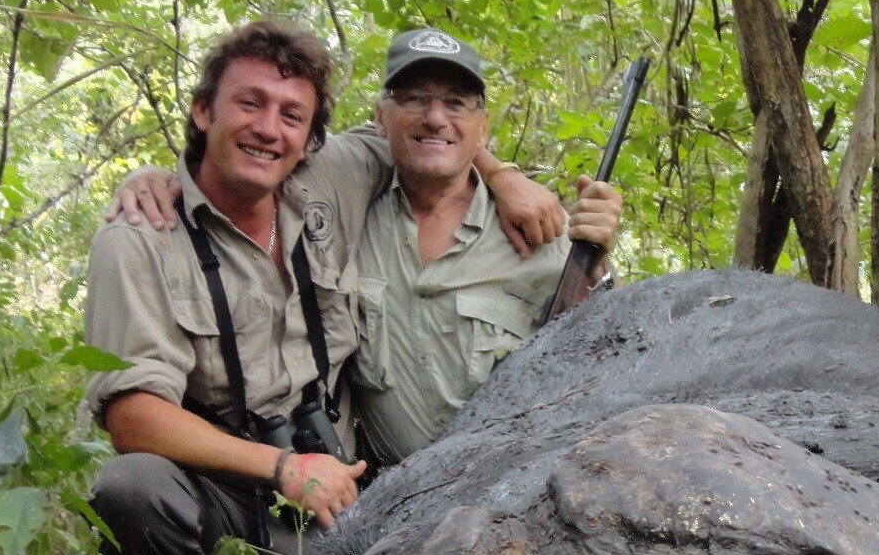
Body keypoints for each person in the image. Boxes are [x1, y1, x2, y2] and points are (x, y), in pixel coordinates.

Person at [83, 20, 564, 555]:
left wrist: (505, 176)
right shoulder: (139, 237)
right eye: (248, 103)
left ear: (312, 138)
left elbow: (429, 133)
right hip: (228, 475)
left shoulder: (329, 179)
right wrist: (282, 469)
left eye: (292, 116)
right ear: (203, 111)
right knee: (130, 487)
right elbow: (132, 416)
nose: (268, 129)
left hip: (338, 484)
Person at [106, 26, 623, 472]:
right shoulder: (349, 200)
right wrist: (161, 177)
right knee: (137, 490)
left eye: (457, 104)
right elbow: (249, 158)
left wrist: (579, 249)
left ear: (483, 127)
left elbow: (600, 363)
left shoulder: (540, 235)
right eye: (415, 99)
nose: (435, 118)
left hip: (503, 489)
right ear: (381, 118)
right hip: (372, 498)